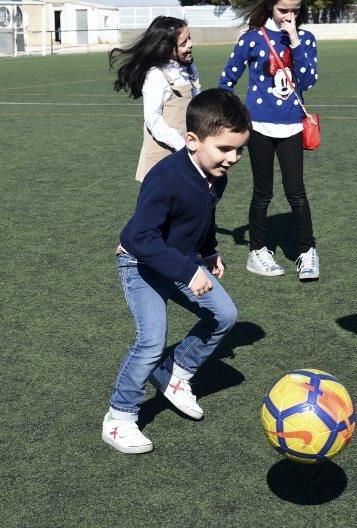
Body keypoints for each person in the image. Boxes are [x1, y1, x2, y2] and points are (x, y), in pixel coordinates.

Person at [102, 88, 251, 454]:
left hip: (182, 262)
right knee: (151, 341)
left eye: (239, 150)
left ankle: (175, 374)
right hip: (140, 262)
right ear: (192, 140)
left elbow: (203, 217)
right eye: (225, 149)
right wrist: (188, 271)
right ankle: (119, 417)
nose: (232, 158)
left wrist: (208, 251)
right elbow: (140, 237)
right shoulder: (166, 177)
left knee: (225, 315)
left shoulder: (216, 176)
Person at [219, 0, 320, 281]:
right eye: (282, 10)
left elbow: (308, 79)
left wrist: (294, 40)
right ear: (270, 5)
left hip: (291, 126)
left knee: (296, 192)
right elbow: (227, 79)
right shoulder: (252, 38)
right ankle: (257, 251)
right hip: (259, 127)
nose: (289, 16)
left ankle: (307, 251)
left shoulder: (305, 38)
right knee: (263, 192)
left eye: (295, 10)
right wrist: (232, 116)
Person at [109, 16, 200, 182]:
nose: (190, 44)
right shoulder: (156, 75)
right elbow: (153, 119)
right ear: (166, 48)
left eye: (189, 38)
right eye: (183, 43)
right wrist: (181, 145)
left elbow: (197, 103)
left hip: (190, 151)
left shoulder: (190, 67)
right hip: (163, 155)